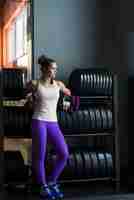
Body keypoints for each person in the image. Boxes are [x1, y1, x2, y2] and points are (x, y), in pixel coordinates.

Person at [25, 55, 71, 200]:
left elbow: (68, 93)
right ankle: (43, 186)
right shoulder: (35, 83)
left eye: (56, 69)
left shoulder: (58, 84)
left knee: (64, 153)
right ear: (44, 69)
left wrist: (67, 99)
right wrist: (29, 97)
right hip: (39, 121)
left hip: (53, 122)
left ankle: (52, 181)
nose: (55, 71)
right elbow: (26, 95)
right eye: (52, 68)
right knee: (39, 155)